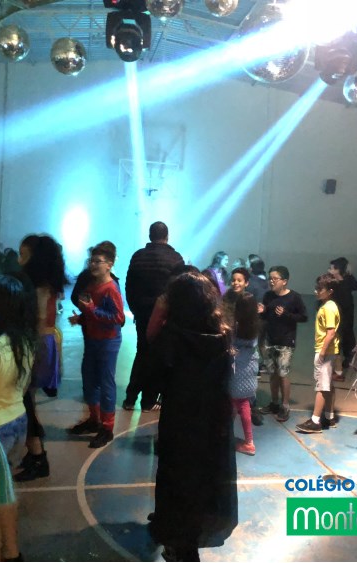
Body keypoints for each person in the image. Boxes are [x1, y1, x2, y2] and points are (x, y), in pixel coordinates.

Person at [148, 272, 237, 561]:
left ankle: (179, 544)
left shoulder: (171, 337)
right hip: (213, 421)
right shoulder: (222, 336)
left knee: (176, 479)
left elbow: (152, 376)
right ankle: (189, 539)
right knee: (203, 480)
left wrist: (159, 313)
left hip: (180, 421)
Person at [0, 275, 37, 561]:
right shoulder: (24, 341)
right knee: (4, 491)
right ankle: (12, 553)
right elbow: (24, 388)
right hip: (18, 420)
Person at [14, 234, 67, 481]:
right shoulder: (48, 283)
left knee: (25, 400)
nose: (19, 260)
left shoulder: (38, 287)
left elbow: (38, 319)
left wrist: (25, 349)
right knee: (28, 400)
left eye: (23, 255)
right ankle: (33, 451)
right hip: (45, 342)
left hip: (37, 343)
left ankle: (38, 455)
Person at [67, 241, 125, 448]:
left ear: (109, 264)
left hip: (107, 342)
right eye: (91, 261)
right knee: (89, 380)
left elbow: (118, 318)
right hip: (91, 340)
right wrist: (82, 318)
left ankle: (107, 428)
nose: (93, 265)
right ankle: (94, 419)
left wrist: (91, 310)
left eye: (98, 261)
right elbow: (93, 313)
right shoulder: (91, 285)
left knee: (106, 383)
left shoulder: (111, 288)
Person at [123, 221, 184, 411]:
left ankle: (130, 398)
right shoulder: (175, 258)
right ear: (167, 236)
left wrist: (135, 309)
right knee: (158, 357)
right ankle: (148, 400)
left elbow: (129, 287)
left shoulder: (138, 257)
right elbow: (178, 290)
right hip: (164, 315)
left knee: (142, 352)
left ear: (150, 236)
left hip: (142, 313)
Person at [257, 266, 308, 422]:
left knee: (283, 373)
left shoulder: (294, 297)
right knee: (273, 373)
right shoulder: (268, 296)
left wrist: (286, 314)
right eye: (270, 278)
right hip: (270, 340)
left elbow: (304, 317)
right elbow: (266, 317)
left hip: (286, 341)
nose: (271, 281)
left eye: (275, 279)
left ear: (284, 281)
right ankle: (274, 403)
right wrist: (262, 312)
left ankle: (285, 406)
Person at [296, 273, 340, 434]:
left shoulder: (328, 307)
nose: (316, 291)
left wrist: (322, 352)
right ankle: (329, 416)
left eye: (320, 289)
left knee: (321, 386)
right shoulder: (328, 305)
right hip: (329, 351)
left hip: (325, 351)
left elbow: (331, 333)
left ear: (330, 291)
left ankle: (315, 421)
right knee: (327, 384)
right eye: (316, 288)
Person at [222, 268, 260, 454]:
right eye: (234, 279)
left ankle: (248, 442)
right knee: (238, 402)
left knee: (239, 402)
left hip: (239, 365)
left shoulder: (239, 324)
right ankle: (227, 435)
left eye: (240, 280)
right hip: (248, 364)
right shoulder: (253, 322)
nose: (235, 283)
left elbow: (236, 343)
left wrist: (230, 348)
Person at [328, 257, 357, 371]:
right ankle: (337, 360)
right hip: (336, 312)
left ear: (338, 269)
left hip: (347, 312)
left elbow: (356, 286)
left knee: (347, 334)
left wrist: (349, 274)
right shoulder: (331, 282)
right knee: (337, 335)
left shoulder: (347, 279)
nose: (329, 270)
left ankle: (349, 358)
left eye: (332, 268)